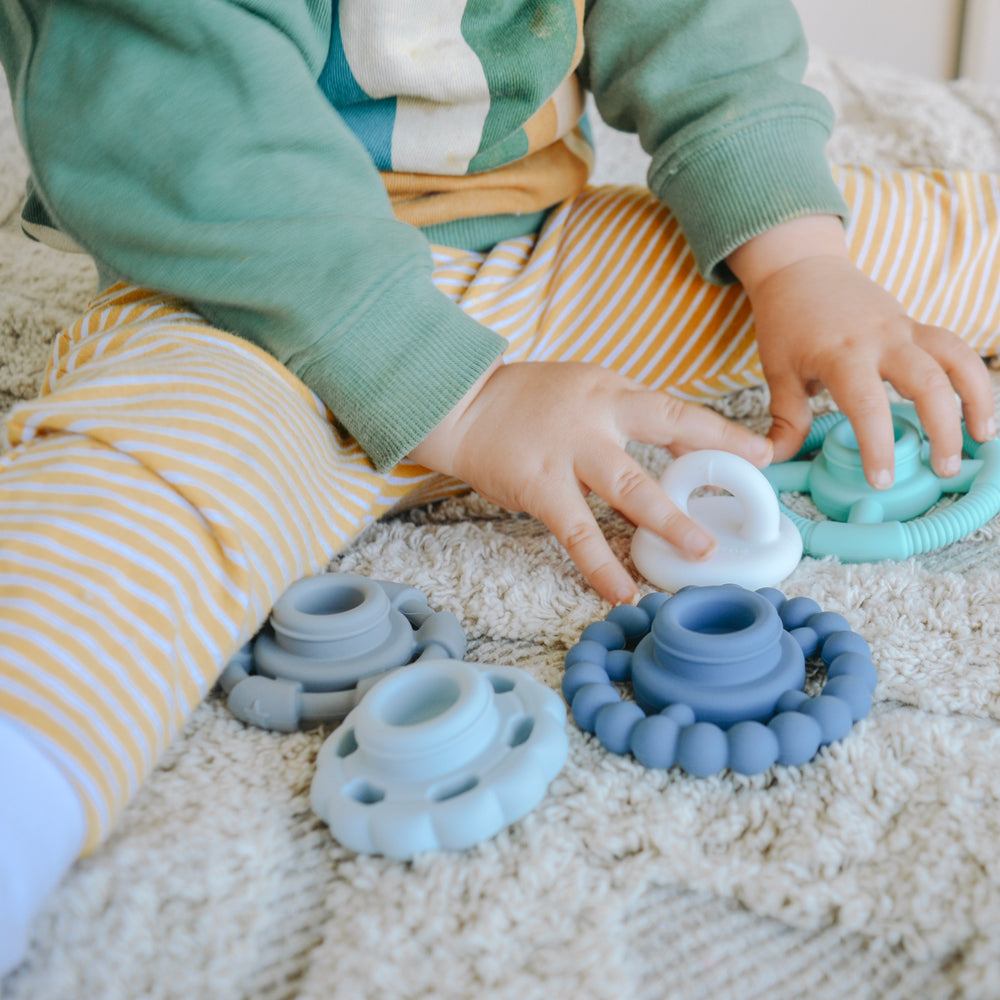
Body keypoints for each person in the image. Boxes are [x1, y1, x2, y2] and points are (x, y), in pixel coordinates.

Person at [1, 0, 997, 978]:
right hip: (252, 299)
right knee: (123, 511)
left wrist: (798, 263)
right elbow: (182, 132)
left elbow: (702, 28)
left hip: (539, 255)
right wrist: (465, 401)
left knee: (882, 266)